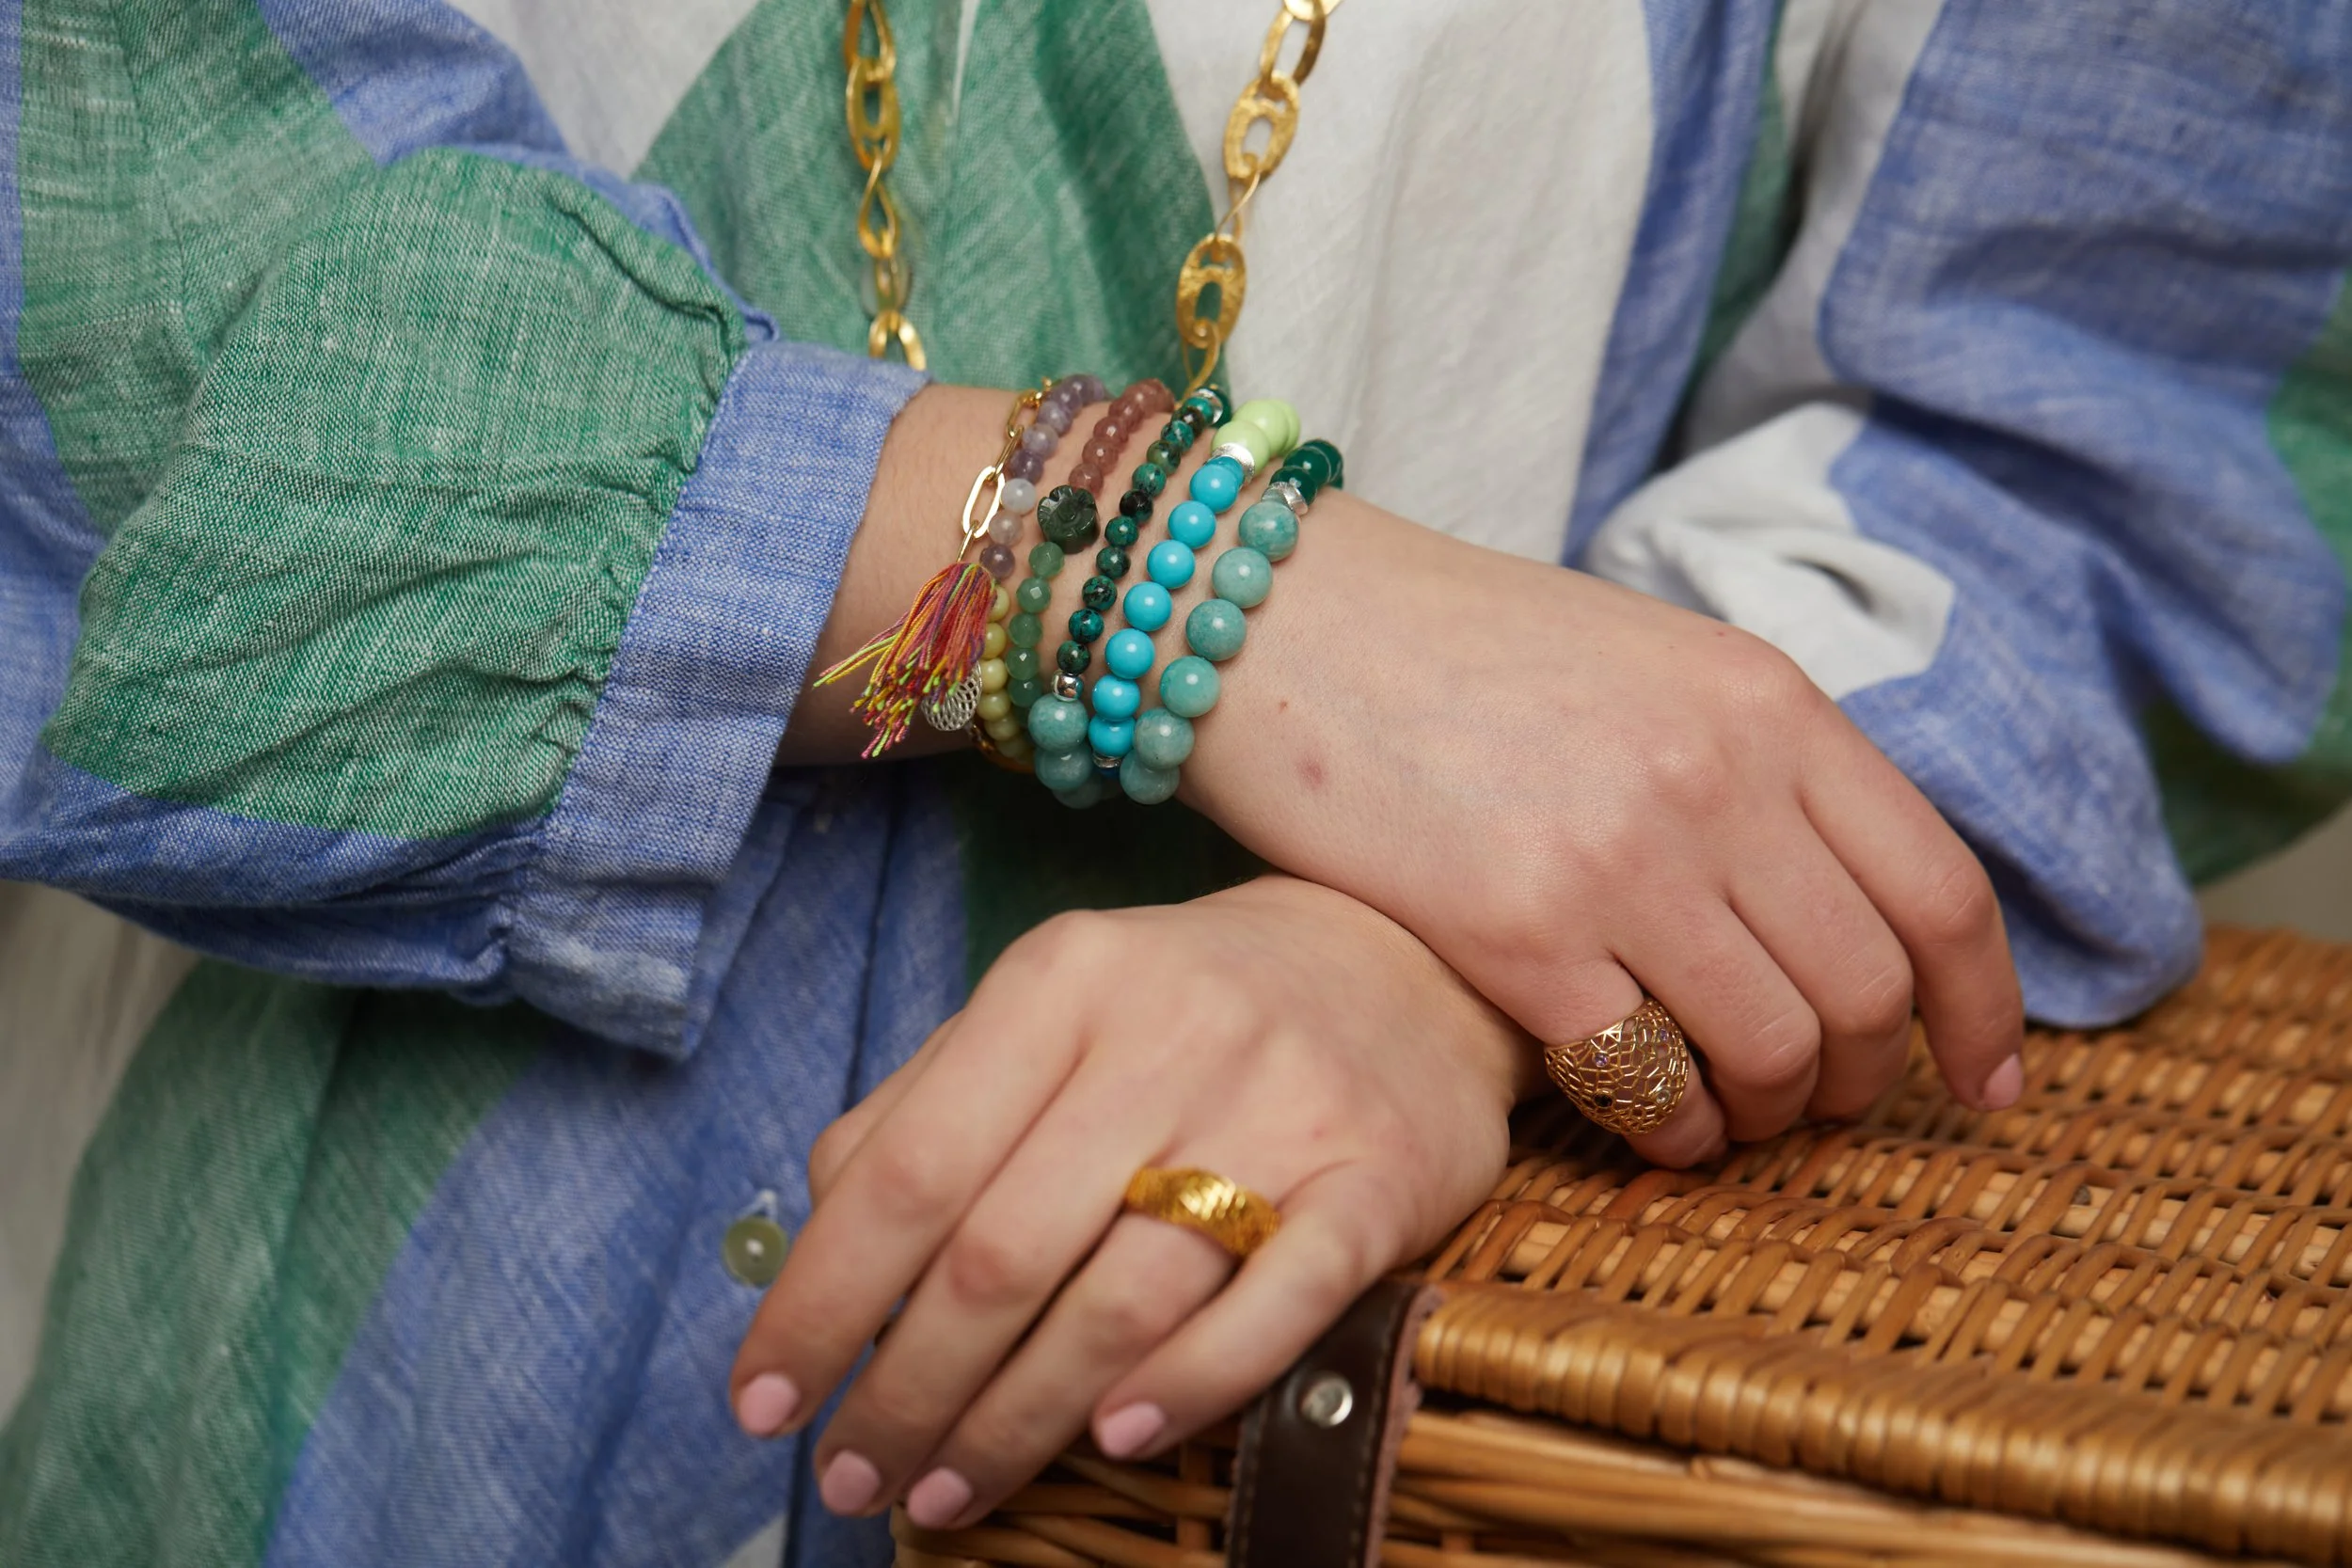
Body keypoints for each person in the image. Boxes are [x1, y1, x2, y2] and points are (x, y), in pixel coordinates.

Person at [1, 1, 2344, 1563]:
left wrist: (1464, 955)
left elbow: (2141, 431)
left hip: (1395, 1376)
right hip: (237, 1347)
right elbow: (101, 200)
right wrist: (1188, 588)